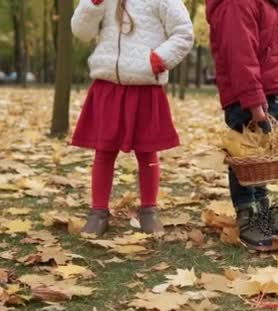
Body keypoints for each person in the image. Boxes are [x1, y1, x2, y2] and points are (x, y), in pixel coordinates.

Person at [70, 0, 194, 236]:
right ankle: (98, 212)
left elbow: (183, 32)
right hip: (107, 84)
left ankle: (149, 211)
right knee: (104, 150)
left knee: (147, 150)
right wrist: (92, 4)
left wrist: (159, 59)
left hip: (144, 84)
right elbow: (81, 31)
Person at [206, 0, 278, 250]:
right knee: (247, 156)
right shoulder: (238, 4)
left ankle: (262, 209)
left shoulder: (267, 5)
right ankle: (247, 214)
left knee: (261, 160)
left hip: (267, 92)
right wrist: (254, 102)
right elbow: (241, 55)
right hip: (247, 96)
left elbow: (274, 48)